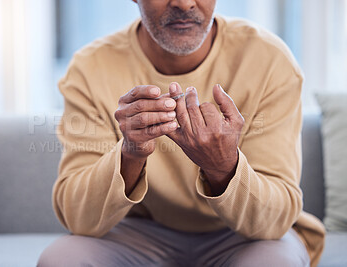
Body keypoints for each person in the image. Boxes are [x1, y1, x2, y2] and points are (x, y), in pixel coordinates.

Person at [38, 0, 325, 266]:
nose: (184, 3)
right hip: (138, 234)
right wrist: (130, 154)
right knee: (60, 259)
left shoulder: (269, 59)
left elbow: (275, 222)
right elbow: (78, 220)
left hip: (241, 238)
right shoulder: (90, 67)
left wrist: (223, 166)